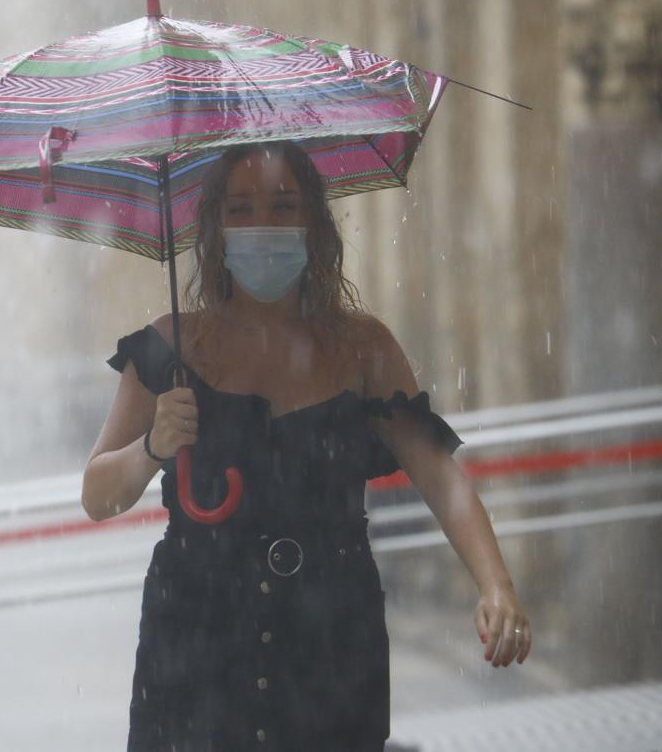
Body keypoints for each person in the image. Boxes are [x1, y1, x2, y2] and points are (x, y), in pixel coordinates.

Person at [82, 141, 530, 751]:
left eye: (282, 205)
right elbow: (97, 496)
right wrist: (151, 449)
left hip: (331, 640)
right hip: (197, 637)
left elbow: (439, 475)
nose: (261, 225)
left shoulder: (363, 349)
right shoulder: (167, 350)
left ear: (313, 224)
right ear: (214, 228)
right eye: (239, 209)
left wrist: (495, 582)